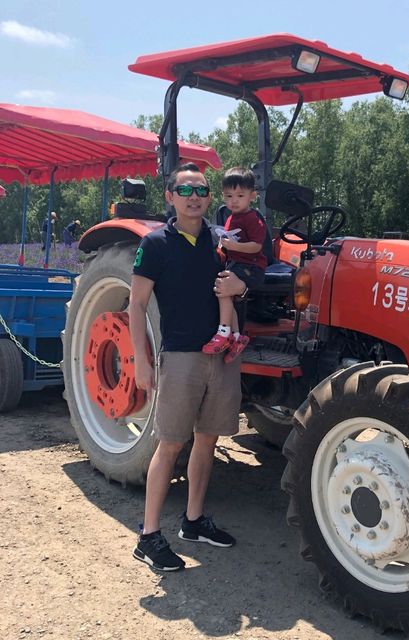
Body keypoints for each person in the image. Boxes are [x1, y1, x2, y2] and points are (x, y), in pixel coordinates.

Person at [130, 162, 247, 572]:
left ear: (210, 198)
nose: (194, 197)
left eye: (201, 190)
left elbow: (233, 285)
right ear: (170, 197)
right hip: (180, 356)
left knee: (208, 440)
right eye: (185, 190)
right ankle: (148, 537)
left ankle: (193, 522)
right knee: (171, 444)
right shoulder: (156, 244)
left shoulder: (219, 241)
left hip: (222, 355)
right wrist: (141, 361)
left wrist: (242, 287)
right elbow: (136, 304)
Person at [201, 167, 266, 362]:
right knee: (226, 292)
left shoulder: (253, 219)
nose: (233, 200)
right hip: (237, 263)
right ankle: (237, 337)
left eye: (240, 195)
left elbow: (256, 247)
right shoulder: (230, 218)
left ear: (252, 196)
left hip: (252, 266)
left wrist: (234, 245)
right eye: (229, 196)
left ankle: (223, 332)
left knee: (223, 289)